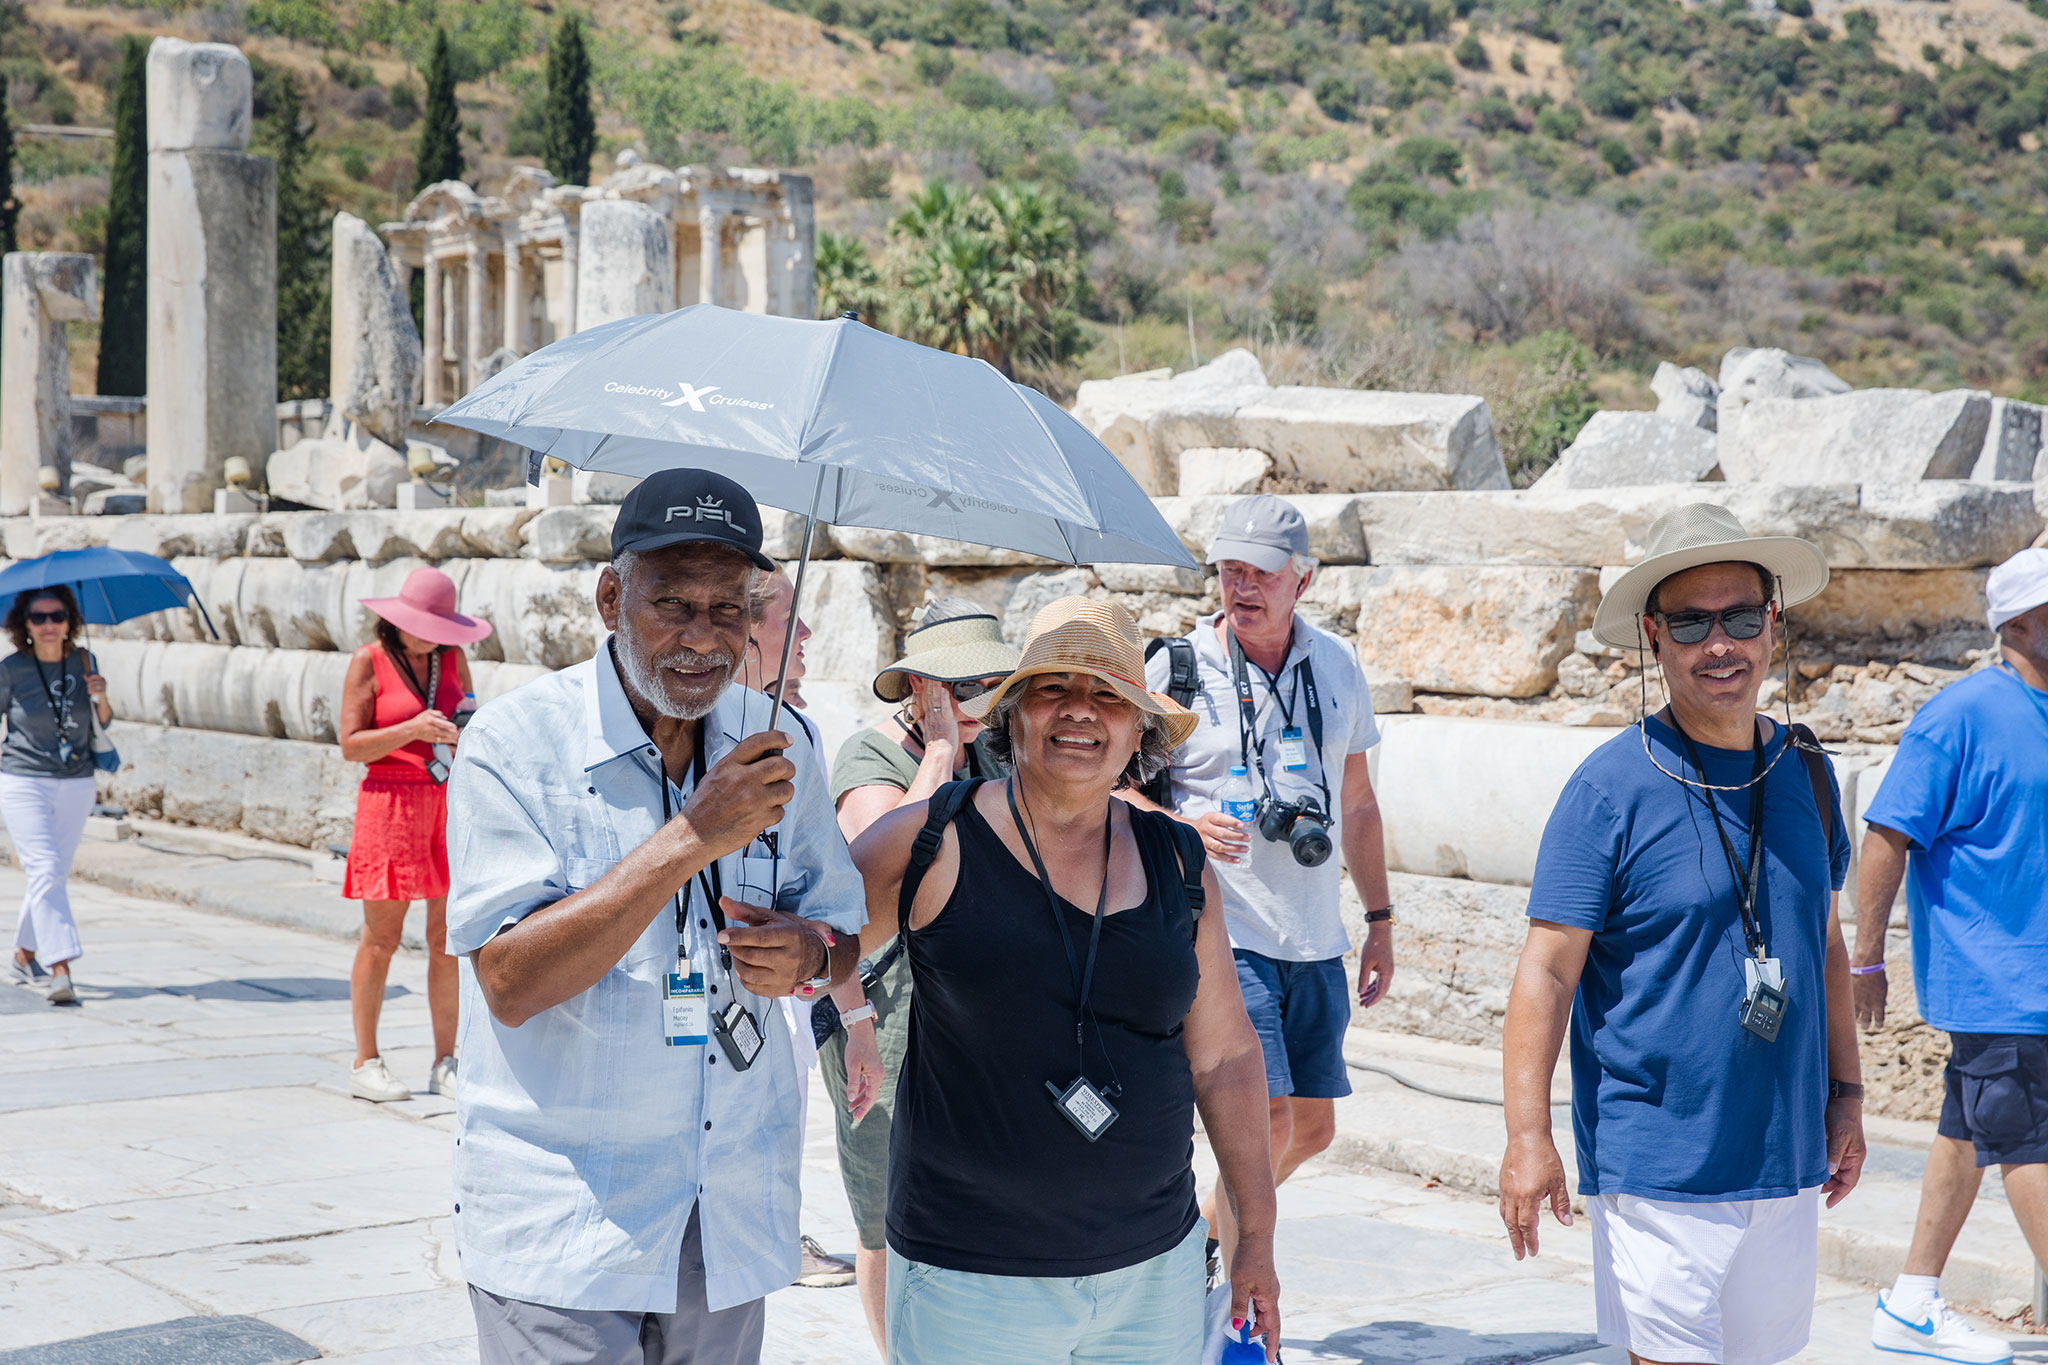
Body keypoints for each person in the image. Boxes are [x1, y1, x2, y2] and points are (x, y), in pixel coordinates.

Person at [446, 468, 865, 1365]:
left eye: (727, 611)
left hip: (725, 1212)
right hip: (567, 1221)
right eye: (670, 604)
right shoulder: (515, 744)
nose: (700, 638)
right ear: (610, 596)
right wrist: (690, 836)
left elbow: (840, 933)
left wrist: (806, 950)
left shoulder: (777, 741)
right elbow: (509, 983)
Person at [850, 597, 1282, 1363]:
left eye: (1109, 694)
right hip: (970, 1281)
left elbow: (1225, 1057)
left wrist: (1255, 1239)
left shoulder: (1179, 861)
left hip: (1153, 1276)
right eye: (1054, 688)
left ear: (1139, 733)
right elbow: (821, 942)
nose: (1081, 711)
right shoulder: (934, 839)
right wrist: (840, 1007)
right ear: (1013, 715)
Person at [1498, 505, 1866, 1365]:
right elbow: (1546, 973)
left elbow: (1825, 942)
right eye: (1693, 624)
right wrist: (1527, 1136)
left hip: (1783, 1151)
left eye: (1740, 618)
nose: (1720, 646)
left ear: (1772, 626)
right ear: (1654, 637)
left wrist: (1846, 1096)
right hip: (1658, 1156)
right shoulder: (1607, 790)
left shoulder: (1808, 770)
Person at [1131, 493, 1393, 1267]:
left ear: (1302, 580)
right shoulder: (1175, 667)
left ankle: (1199, 1239)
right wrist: (1182, 825)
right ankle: (1241, 1302)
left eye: (1260, 573)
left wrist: (1380, 920)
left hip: (1314, 937)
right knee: (1266, 1122)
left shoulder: (1338, 663)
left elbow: (1358, 802)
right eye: (1229, 570)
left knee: (1312, 1126)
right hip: (1223, 933)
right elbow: (1110, 788)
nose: (1241, 587)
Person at [1853, 546, 2048, 1365]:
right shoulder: (1958, 716)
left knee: (1965, 1135)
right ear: (2023, 622)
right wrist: (1866, 958)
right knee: (2032, 1148)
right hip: (2000, 986)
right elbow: (1886, 835)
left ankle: (1911, 1300)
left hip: (2030, 987)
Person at [819, 599, 1019, 1351]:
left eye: (993, 683)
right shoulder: (872, 757)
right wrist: (937, 756)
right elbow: (872, 880)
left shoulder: (993, 749)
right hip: (883, 1008)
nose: (980, 701)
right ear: (918, 689)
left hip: (972, 1005)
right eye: (963, 686)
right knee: (886, 1214)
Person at [733, 564, 857, 1292]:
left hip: (790, 967)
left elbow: (829, 877)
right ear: (748, 633)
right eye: (790, 617)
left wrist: (854, 1010)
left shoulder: (798, 727)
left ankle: (779, 1232)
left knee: (783, 1110)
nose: (806, 631)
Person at [337, 567, 490, 1104]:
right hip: (389, 802)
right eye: (419, 625)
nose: (428, 635)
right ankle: (366, 1061)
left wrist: (463, 725)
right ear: (395, 620)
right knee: (380, 940)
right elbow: (351, 744)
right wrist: (412, 730)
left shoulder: (452, 655)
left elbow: (468, 710)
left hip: (445, 801)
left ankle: (445, 1060)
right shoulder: (368, 660)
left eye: (437, 625)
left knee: (447, 939)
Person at [2, 587, 111, 1006]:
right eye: (39, 618)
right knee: (45, 867)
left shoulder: (85, 661)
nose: (49, 625)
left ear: (70, 621)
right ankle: (60, 967)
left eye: (57, 616)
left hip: (77, 781)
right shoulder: (12, 669)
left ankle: (23, 954)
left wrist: (100, 696)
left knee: (50, 876)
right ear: (24, 625)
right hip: (24, 779)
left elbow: (103, 721)